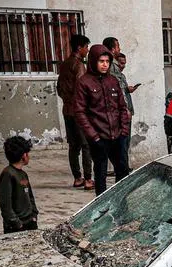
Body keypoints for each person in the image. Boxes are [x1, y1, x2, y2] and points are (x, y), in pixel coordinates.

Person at [73, 43, 131, 195]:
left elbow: (122, 107)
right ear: (93, 61)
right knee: (100, 174)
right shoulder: (84, 82)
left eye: (107, 62)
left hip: (118, 136)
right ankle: (102, 206)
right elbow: (80, 112)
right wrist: (94, 137)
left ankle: (121, 202)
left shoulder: (112, 81)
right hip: (99, 138)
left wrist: (124, 131)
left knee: (123, 170)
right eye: (101, 61)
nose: (105, 65)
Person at [55, 34, 92, 190]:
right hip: (79, 111)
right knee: (86, 145)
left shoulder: (64, 64)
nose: (87, 50)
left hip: (67, 109)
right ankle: (89, 179)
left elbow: (59, 88)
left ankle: (77, 178)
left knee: (73, 145)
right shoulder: (79, 66)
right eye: (86, 47)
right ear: (80, 47)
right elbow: (82, 89)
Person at [103, 38, 138, 166]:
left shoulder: (113, 67)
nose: (119, 49)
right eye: (118, 46)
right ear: (112, 49)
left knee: (123, 143)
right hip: (120, 112)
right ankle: (122, 168)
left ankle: (123, 167)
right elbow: (116, 91)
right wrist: (125, 110)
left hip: (121, 111)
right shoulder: (111, 67)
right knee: (122, 143)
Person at [0, 136, 38, 233]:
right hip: (16, 227)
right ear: (24, 156)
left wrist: (34, 215)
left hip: (29, 222)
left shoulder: (23, 174)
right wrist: (17, 224)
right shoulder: (8, 174)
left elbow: (30, 197)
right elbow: (5, 204)